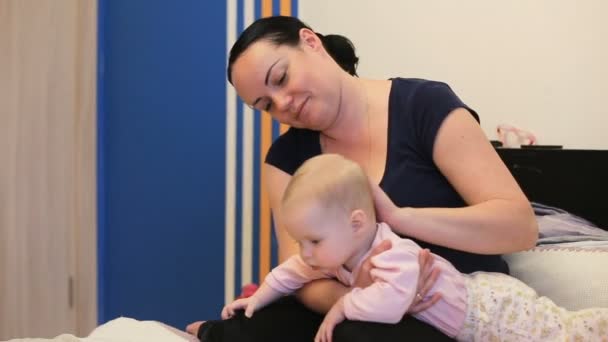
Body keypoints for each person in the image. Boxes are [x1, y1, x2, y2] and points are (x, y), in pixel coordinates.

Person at [187, 15, 538, 341]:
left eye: (281, 79)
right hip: (361, 306)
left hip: (458, 307)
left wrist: (401, 219)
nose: (283, 104)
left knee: (358, 336)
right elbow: (300, 269)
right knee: (255, 327)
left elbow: (519, 227)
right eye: (266, 105)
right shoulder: (286, 159)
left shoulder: (423, 106)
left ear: (310, 42)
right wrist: (359, 295)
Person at [221, 154, 608, 342]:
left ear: (356, 223)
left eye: (313, 241)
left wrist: (343, 304)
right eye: (302, 241)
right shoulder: (331, 254)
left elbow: (390, 305)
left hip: (487, 311)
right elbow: (291, 273)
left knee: (565, 332)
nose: (304, 252)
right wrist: (259, 299)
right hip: (467, 320)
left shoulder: (392, 253)